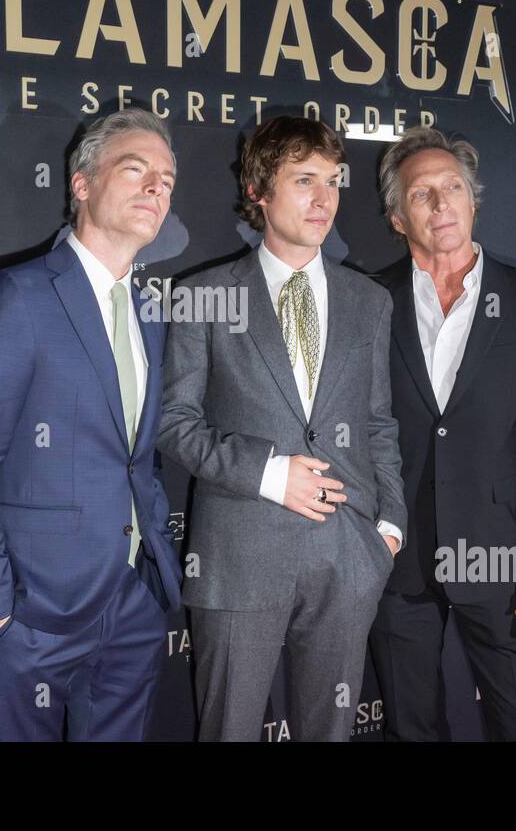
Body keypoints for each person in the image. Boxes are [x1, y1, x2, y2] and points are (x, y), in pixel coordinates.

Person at [0, 109, 182, 741]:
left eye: (168, 179)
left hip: (133, 604)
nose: (157, 187)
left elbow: (137, 459)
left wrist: (152, 582)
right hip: (33, 614)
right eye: (137, 170)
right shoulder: (14, 296)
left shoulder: (151, 314)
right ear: (81, 183)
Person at [159, 115, 406, 741]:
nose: (324, 199)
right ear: (260, 192)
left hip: (348, 558)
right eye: (304, 180)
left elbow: (378, 421)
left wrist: (388, 530)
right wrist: (269, 476)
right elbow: (173, 422)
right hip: (240, 556)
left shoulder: (369, 301)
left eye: (333, 181)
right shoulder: (204, 295)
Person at [370, 125, 516, 741]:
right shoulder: (366, 300)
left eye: (453, 188)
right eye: (421, 194)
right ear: (396, 217)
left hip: (500, 558)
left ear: (473, 200)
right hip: (395, 558)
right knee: (411, 729)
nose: (441, 205)